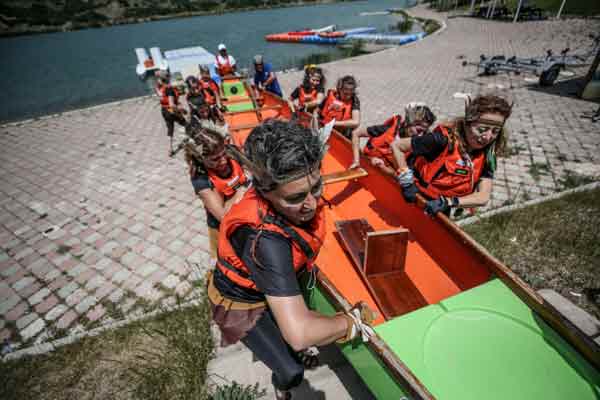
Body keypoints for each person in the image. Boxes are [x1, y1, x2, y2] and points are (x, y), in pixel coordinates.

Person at [208, 120, 375, 400]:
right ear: (265, 191)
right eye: (296, 197)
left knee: (287, 338)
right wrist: (351, 322)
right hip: (240, 302)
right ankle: (281, 385)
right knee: (291, 370)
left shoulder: (289, 197)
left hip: (265, 280)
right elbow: (300, 333)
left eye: (316, 187)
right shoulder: (265, 241)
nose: (312, 203)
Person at [391, 94, 512, 215]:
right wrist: (406, 182)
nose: (487, 137)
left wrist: (449, 202)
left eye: (495, 131)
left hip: (440, 207)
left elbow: (483, 197)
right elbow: (397, 146)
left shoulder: (487, 156)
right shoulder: (441, 140)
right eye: (481, 130)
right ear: (467, 124)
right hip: (414, 196)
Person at [183, 122, 250, 257]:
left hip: (249, 213)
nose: (223, 161)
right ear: (201, 158)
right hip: (225, 227)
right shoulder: (201, 177)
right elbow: (223, 216)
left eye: (224, 154)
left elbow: (251, 168)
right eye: (215, 159)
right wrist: (241, 189)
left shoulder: (231, 151)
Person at [348, 103, 436, 176]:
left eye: (424, 132)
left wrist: (383, 167)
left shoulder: (415, 148)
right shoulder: (388, 128)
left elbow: (401, 176)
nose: (420, 135)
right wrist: (356, 160)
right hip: (365, 168)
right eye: (419, 130)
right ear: (408, 122)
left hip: (385, 179)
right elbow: (356, 133)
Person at [156, 70, 187, 153]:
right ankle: (188, 139)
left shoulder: (159, 87)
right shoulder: (169, 89)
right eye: (169, 76)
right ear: (167, 78)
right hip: (171, 110)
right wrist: (181, 110)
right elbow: (172, 105)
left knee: (170, 128)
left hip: (164, 110)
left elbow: (158, 76)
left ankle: (170, 148)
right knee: (184, 123)